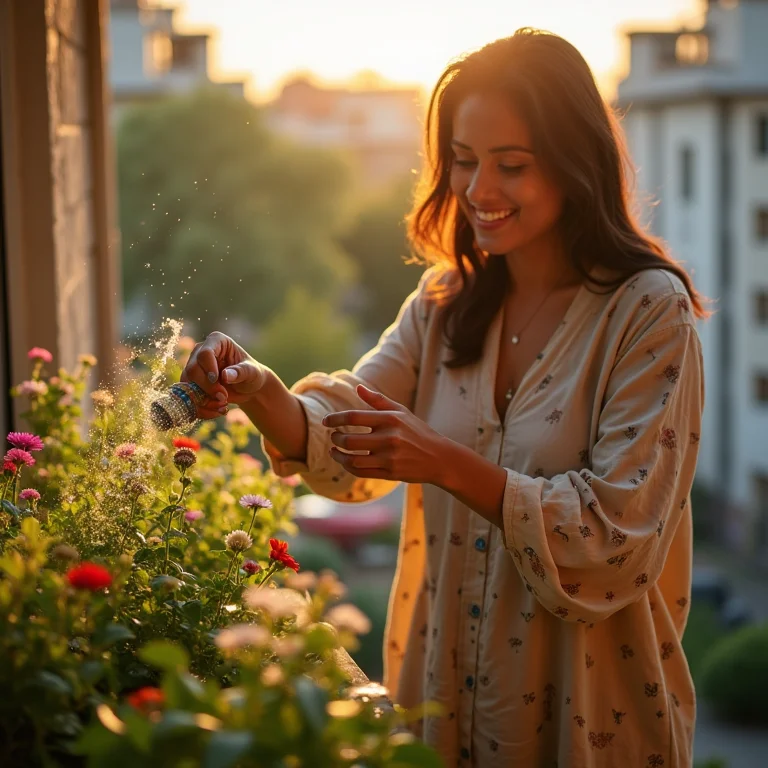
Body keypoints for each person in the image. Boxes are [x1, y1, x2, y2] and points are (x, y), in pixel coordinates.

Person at [182, 28, 708, 768]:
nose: (477, 190)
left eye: (512, 165)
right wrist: (259, 388)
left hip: (592, 723)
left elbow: (616, 538)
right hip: (441, 698)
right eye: (463, 161)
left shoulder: (648, 313)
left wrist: (447, 463)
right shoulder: (445, 300)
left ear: (574, 163)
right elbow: (343, 428)